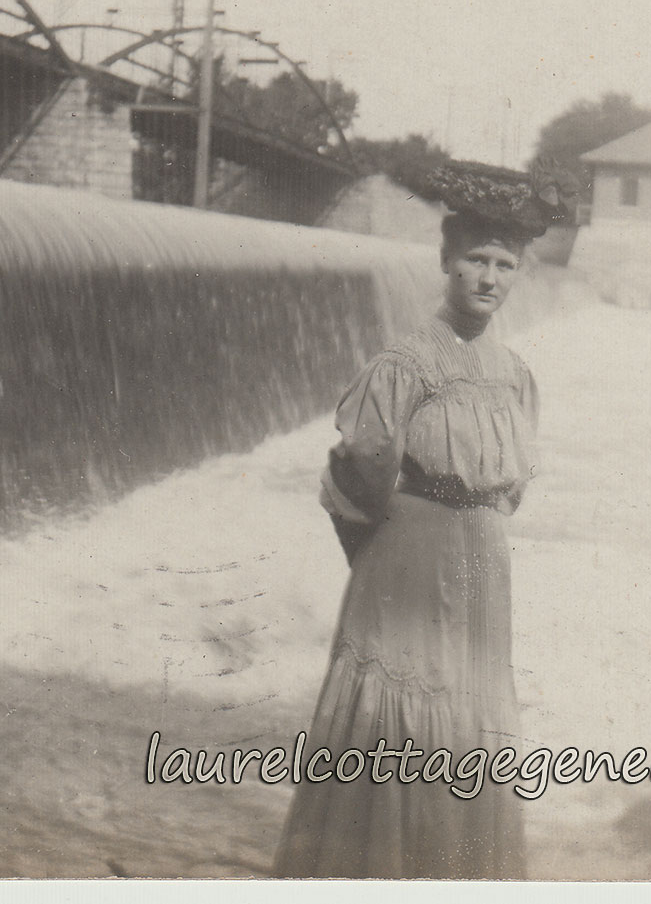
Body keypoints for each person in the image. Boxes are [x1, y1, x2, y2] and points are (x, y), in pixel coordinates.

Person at [274, 208, 540, 879]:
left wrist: (479, 520)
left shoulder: (513, 371)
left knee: (469, 712)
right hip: (411, 555)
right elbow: (358, 468)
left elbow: (514, 482)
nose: (488, 277)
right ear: (447, 259)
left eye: (504, 264)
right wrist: (391, 548)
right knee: (401, 712)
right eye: (476, 258)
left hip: (483, 563)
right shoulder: (406, 361)